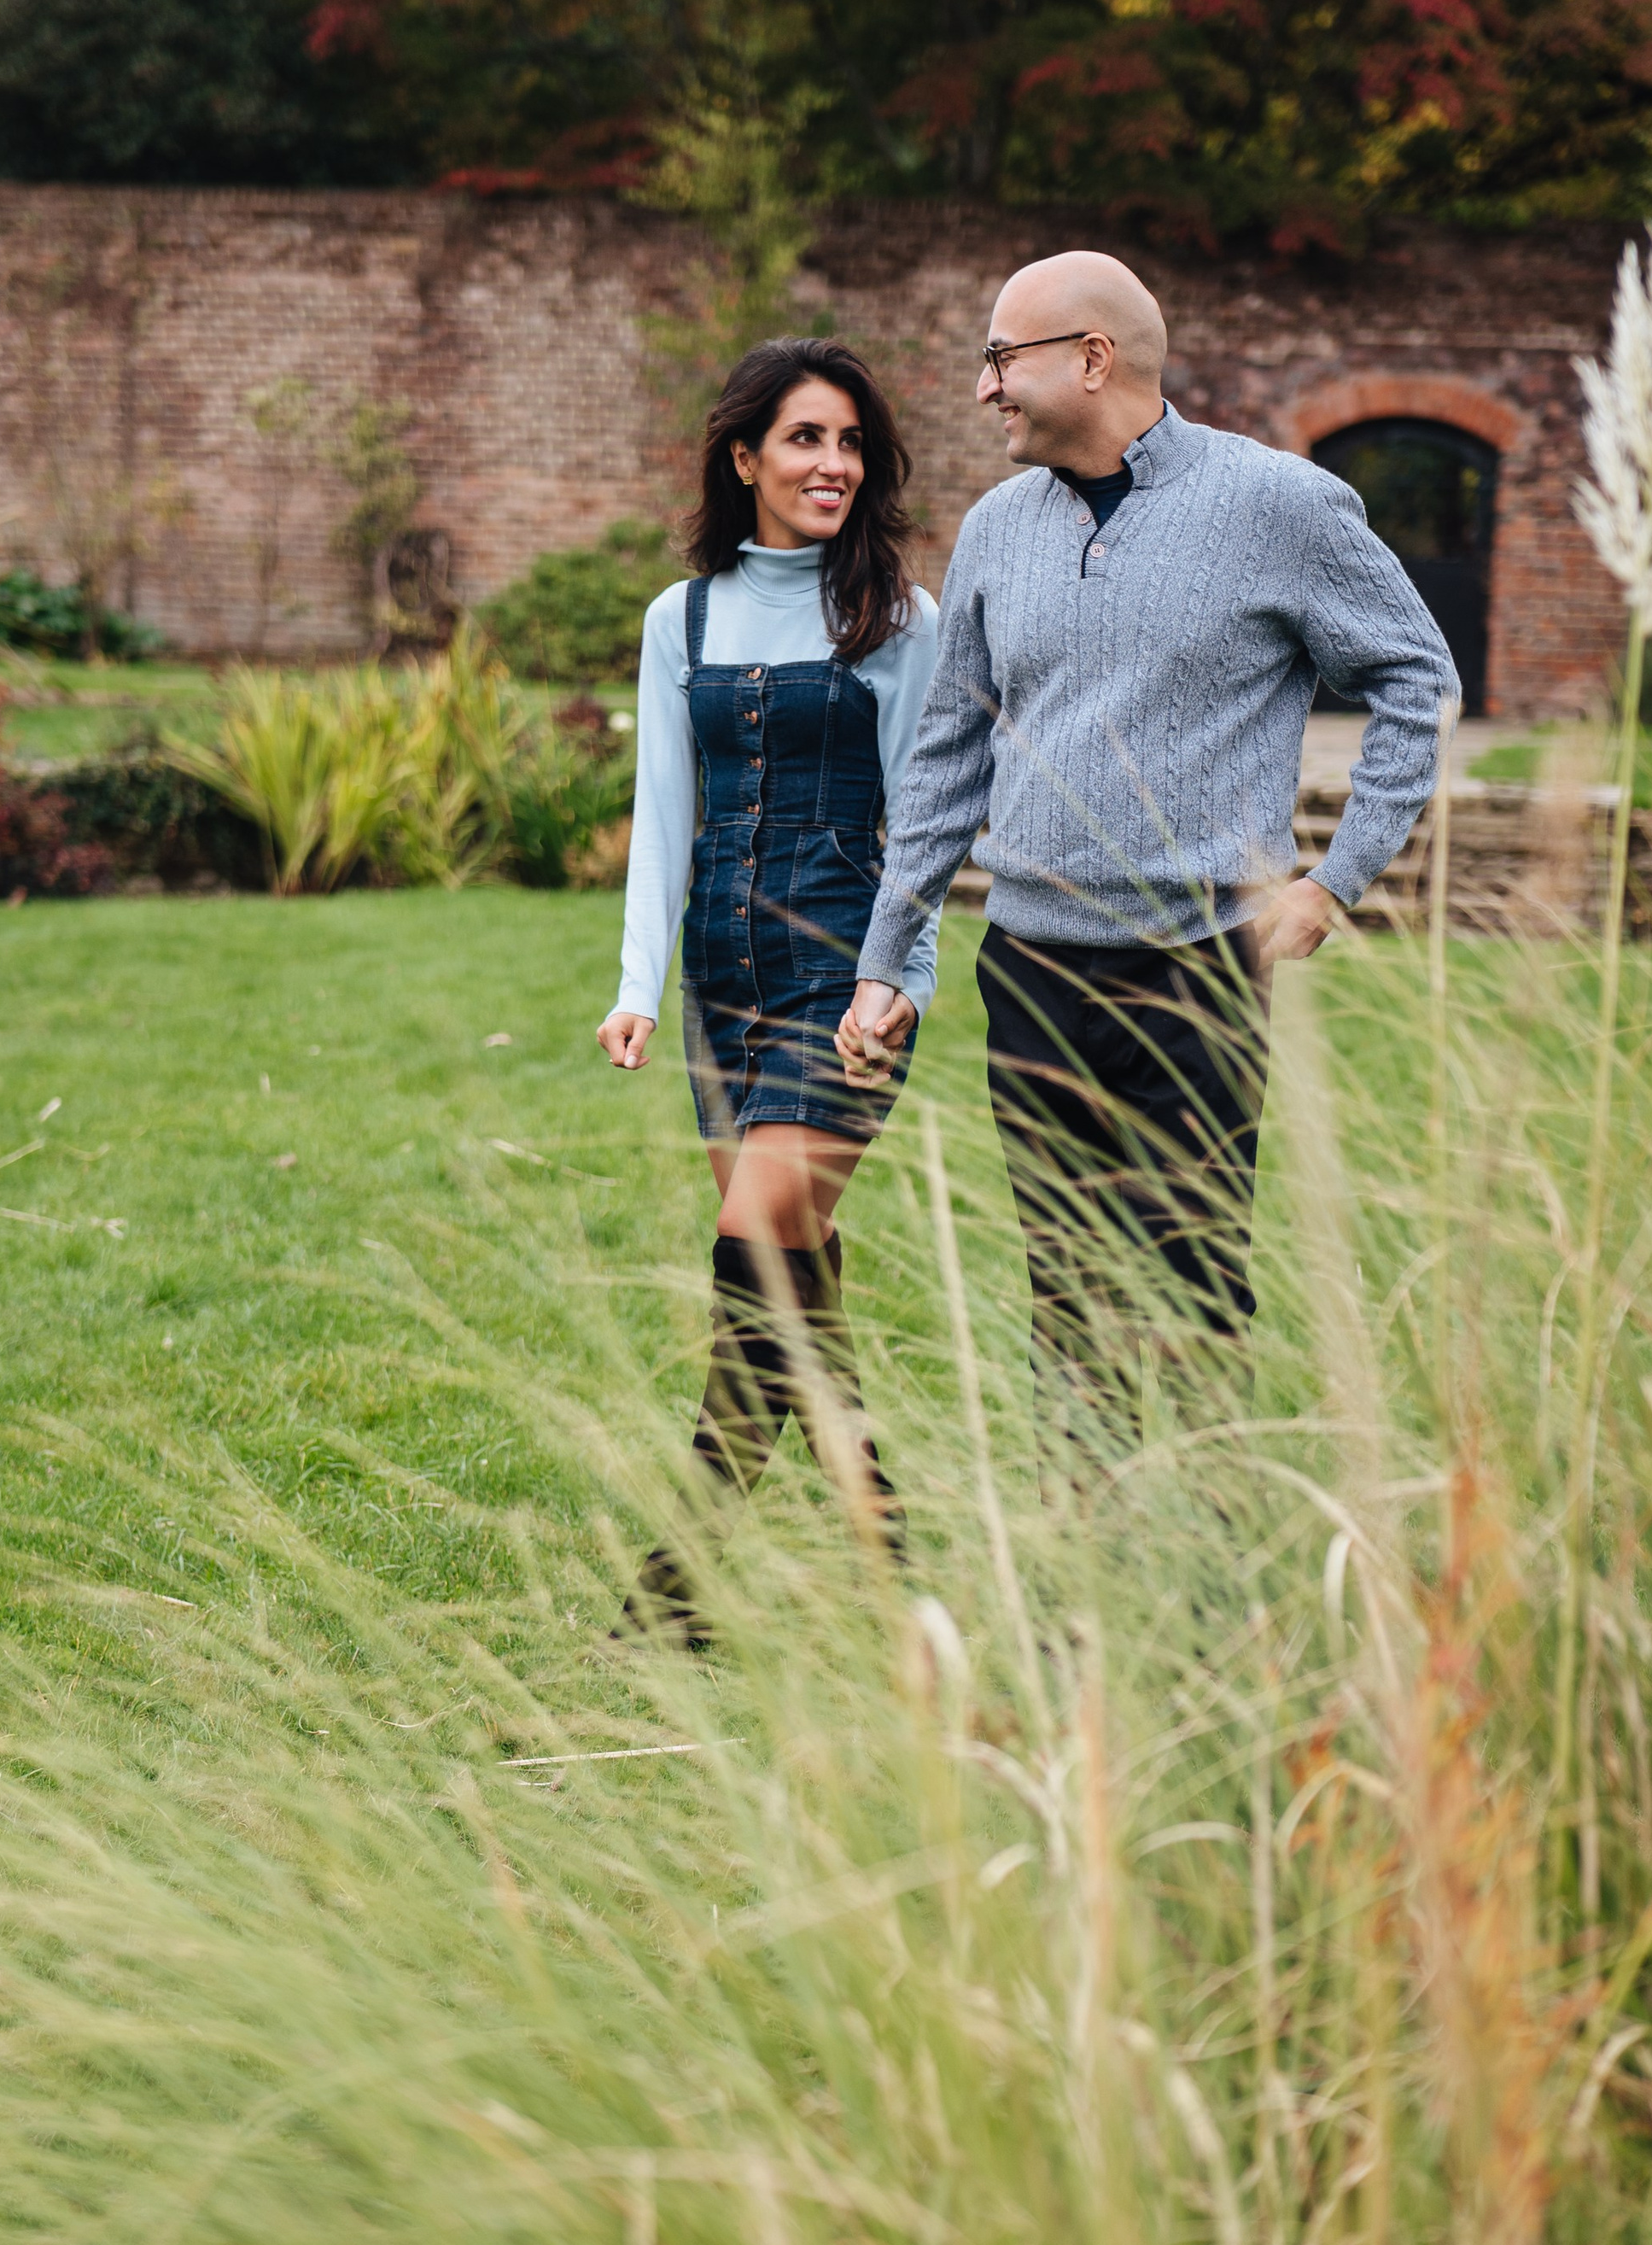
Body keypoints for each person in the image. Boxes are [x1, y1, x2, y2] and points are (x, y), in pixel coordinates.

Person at [836, 249, 1457, 1441]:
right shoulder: (998, 528)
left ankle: (1209, 1579)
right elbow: (949, 754)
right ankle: (1082, 1584)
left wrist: (1336, 879)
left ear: (1092, 358)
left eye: (999, 359)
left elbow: (1416, 676)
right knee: (1063, 1296)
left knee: (1193, 1289)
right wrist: (886, 953)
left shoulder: (1280, 506)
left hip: (1199, 969)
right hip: (1030, 971)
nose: (984, 390)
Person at [600, 336, 941, 1624]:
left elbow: (929, 821)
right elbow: (663, 815)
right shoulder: (677, 619)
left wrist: (896, 979)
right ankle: (894, 1561)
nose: (833, 464)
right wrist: (639, 985)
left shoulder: (899, 619)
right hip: (719, 988)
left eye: (852, 442)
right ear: (742, 457)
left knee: (753, 1254)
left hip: (843, 985)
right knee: (793, 1283)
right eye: (806, 439)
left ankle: (672, 1592)